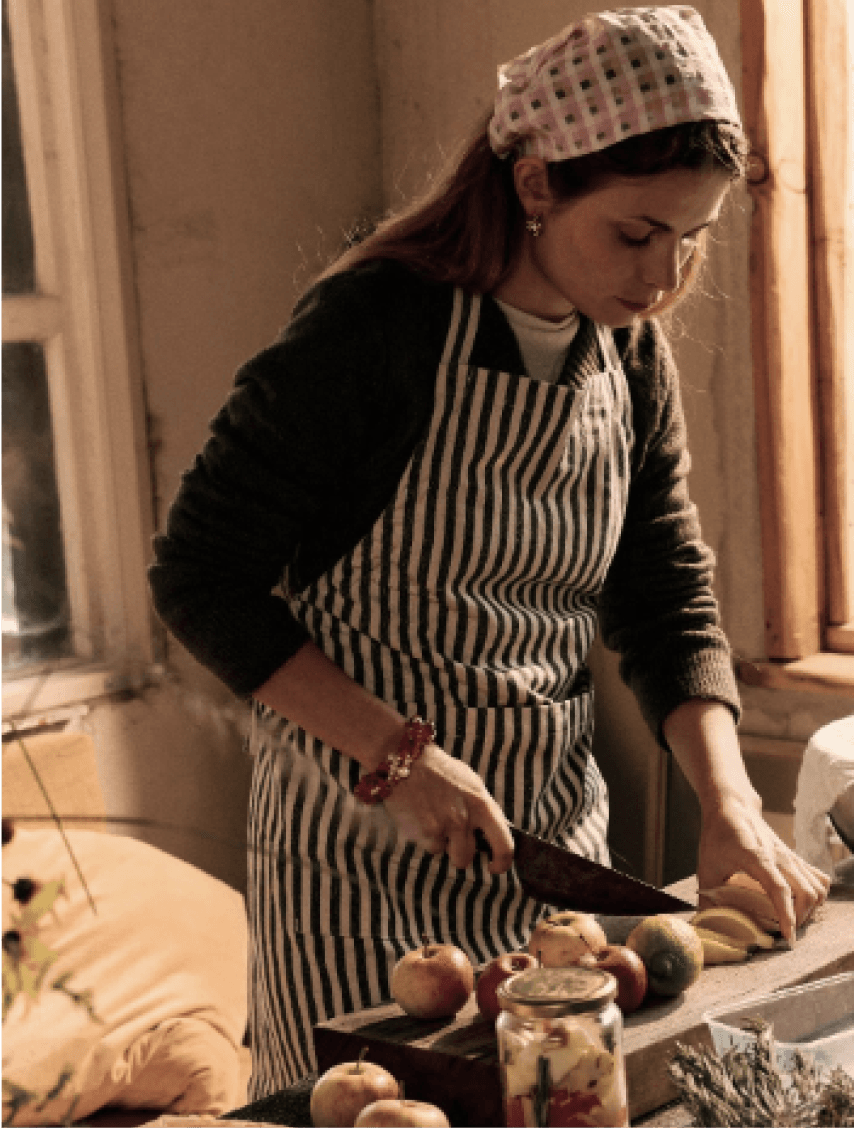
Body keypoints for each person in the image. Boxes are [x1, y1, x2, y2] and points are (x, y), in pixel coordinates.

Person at [149, 5, 831, 1098]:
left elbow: (663, 595)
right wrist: (397, 754)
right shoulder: (369, 331)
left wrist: (727, 803)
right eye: (633, 232)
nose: (661, 277)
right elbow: (198, 577)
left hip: (554, 858)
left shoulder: (631, 361)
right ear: (533, 186)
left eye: (689, 237)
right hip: (360, 868)